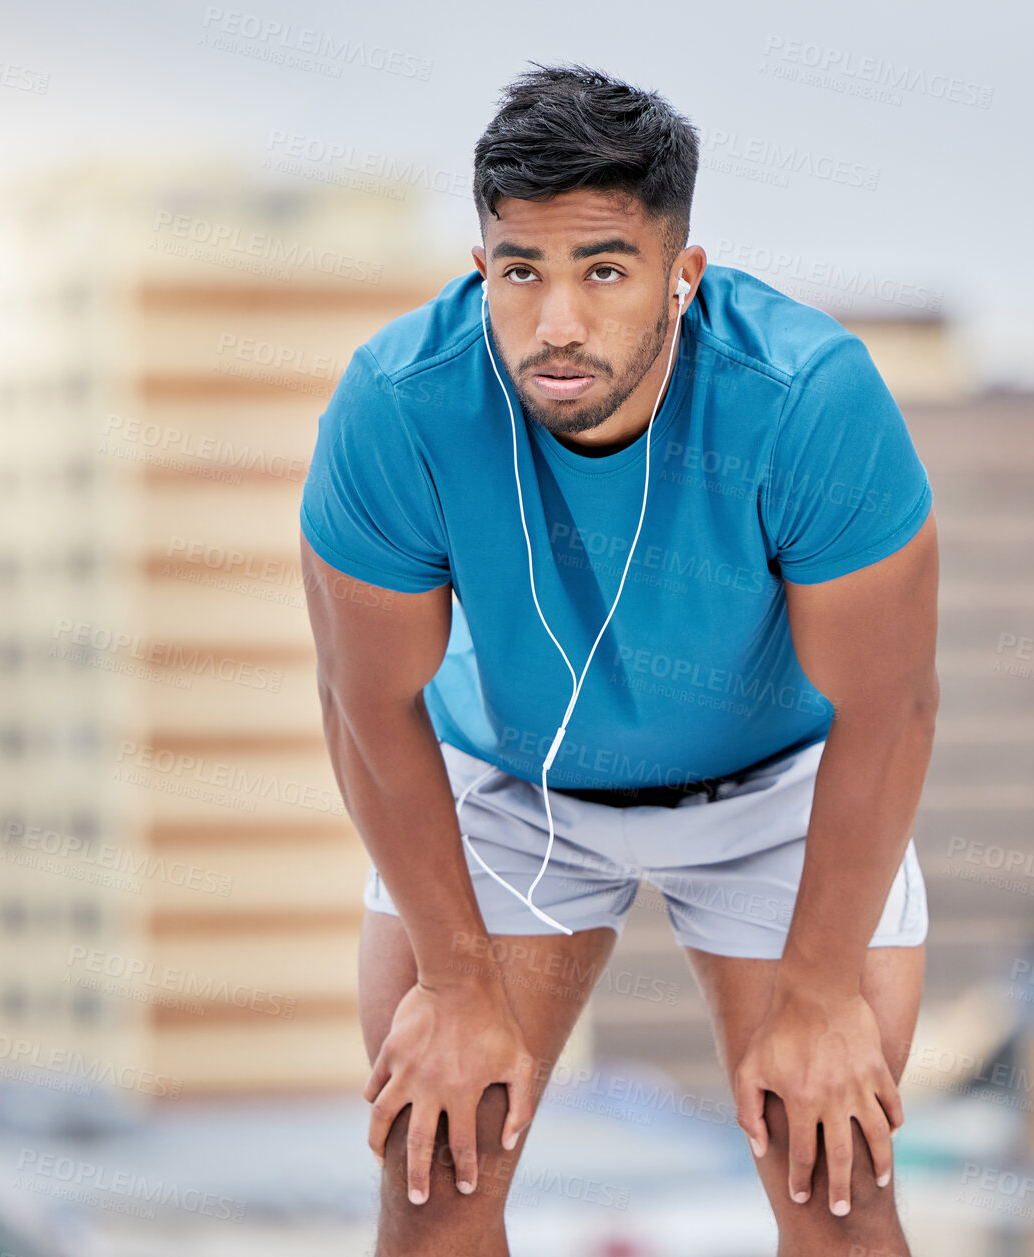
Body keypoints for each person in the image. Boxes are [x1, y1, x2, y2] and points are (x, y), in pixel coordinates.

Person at [299, 61, 939, 1257]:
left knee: (834, 1178)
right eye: (520, 271)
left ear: (682, 276)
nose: (557, 323)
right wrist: (451, 982)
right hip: (510, 785)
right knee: (437, 1170)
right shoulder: (399, 404)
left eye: (604, 270)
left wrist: (815, 995)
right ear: (479, 268)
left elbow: (890, 709)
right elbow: (366, 703)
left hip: (781, 787)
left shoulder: (807, 397)